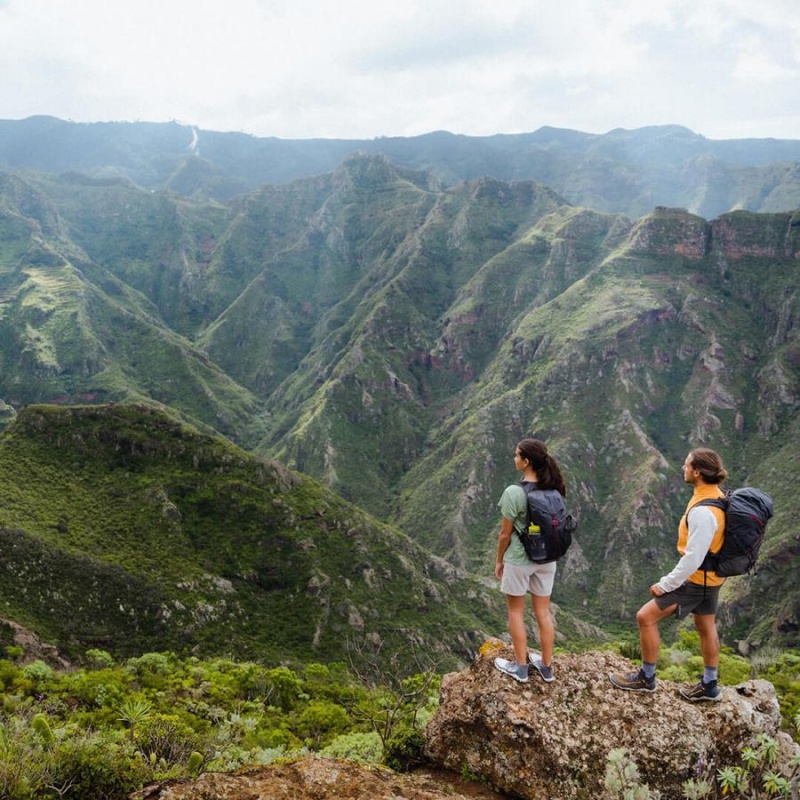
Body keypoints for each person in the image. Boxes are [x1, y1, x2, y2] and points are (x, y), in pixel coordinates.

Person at [609, 448, 728, 701]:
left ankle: (646, 678)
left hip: (696, 580)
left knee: (645, 617)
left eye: (686, 465)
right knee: (705, 624)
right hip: (713, 577)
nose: (683, 468)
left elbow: (693, 558)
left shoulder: (703, 512)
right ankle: (709, 684)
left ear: (696, 472)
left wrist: (665, 584)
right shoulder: (716, 497)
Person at [493, 438, 566, 684]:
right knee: (543, 612)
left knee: (516, 612)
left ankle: (521, 668)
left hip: (519, 559)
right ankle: (547, 667)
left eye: (516, 455)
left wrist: (499, 560)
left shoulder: (514, 492)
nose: (514, 459)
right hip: (547, 560)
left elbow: (505, 534)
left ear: (526, 462)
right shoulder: (553, 489)